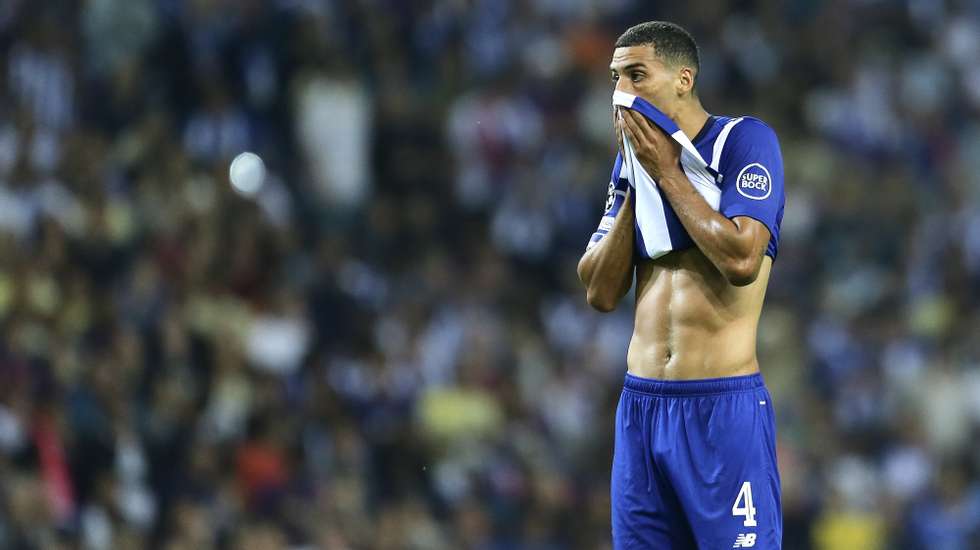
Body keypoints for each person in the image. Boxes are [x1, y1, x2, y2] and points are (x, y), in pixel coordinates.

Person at [576, 21, 786, 549]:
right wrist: (637, 180)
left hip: (721, 409)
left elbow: (742, 257)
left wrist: (667, 173)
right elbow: (599, 291)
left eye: (637, 75)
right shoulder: (633, 166)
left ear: (683, 79)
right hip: (641, 409)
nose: (622, 91)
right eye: (616, 77)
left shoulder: (743, 140)